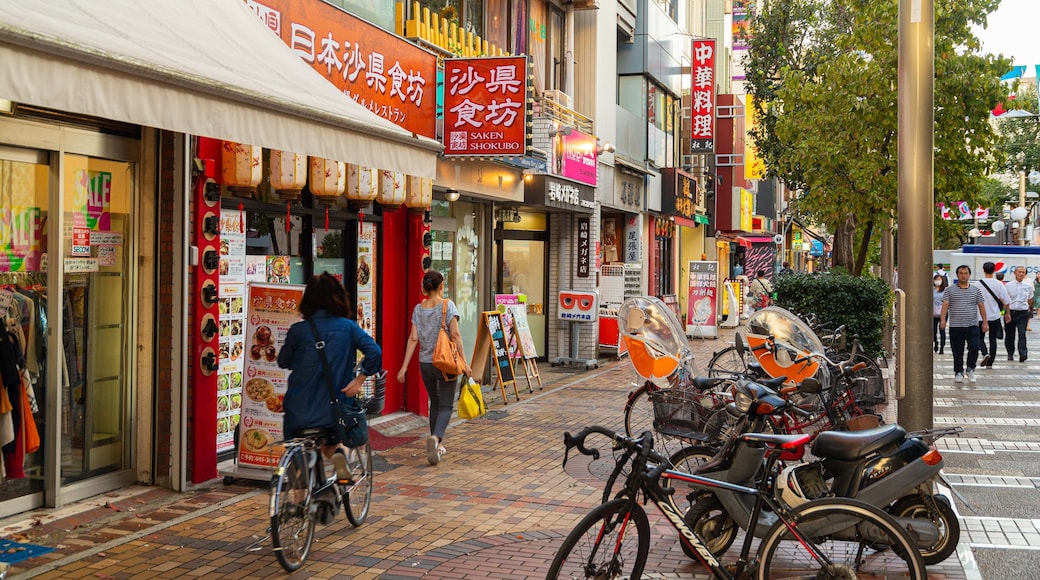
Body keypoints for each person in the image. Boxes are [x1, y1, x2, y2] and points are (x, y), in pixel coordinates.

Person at [278, 273, 381, 483]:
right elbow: (374, 352)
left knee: (298, 451)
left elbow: (283, 361)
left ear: (308, 300)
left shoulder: (298, 331)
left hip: (299, 410)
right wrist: (359, 381)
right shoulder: (348, 327)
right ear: (338, 298)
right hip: (334, 411)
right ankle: (338, 455)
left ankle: (299, 494)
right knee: (332, 442)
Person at [397, 270, 472, 466]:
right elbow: (455, 335)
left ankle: (436, 446)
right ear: (441, 286)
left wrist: (404, 367)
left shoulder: (418, 309)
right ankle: (436, 438)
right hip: (445, 363)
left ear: (425, 287)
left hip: (425, 364)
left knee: (435, 402)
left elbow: (413, 338)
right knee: (446, 405)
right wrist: (465, 363)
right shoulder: (448, 305)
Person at [939, 265, 987, 383]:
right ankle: (958, 371)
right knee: (957, 350)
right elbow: (945, 305)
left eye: (966, 273)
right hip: (956, 325)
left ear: (969, 275)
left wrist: (985, 322)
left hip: (972, 324)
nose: (963, 275)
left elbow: (981, 306)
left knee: (974, 347)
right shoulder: (949, 290)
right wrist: (943, 320)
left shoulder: (976, 290)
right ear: (957, 275)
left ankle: (970, 368)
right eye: (961, 273)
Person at [974, 262, 1011, 369]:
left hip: (980, 316)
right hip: (994, 316)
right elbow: (1006, 301)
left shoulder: (977, 284)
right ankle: (990, 363)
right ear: (994, 270)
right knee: (992, 339)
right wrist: (1007, 314)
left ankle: (985, 353)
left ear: (983, 269)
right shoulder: (998, 284)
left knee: (979, 337)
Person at [1004, 266, 1034, 363]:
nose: (1021, 274)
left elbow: (1030, 299)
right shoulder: (1008, 285)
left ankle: (1023, 353)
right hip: (1010, 312)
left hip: (1022, 313)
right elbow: (1005, 300)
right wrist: (1006, 313)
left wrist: (1028, 309)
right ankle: (1010, 353)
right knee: (1010, 335)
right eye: (1019, 272)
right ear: (1015, 273)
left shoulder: (1028, 286)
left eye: (1023, 272)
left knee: (1022, 333)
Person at [932, 273, 947, 354]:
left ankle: (942, 347)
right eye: (936, 279)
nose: (937, 281)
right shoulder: (932, 290)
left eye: (939, 279)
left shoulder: (945, 291)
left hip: (943, 313)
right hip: (933, 313)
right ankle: (935, 342)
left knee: (942, 330)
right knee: (933, 331)